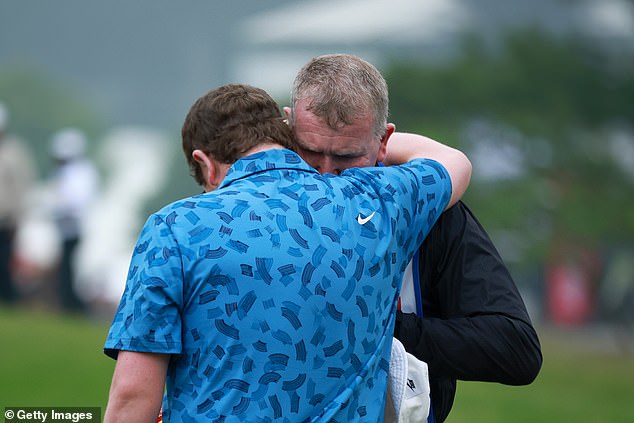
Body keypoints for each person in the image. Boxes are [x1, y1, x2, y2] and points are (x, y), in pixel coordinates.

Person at [103, 83, 471, 422]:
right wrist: (372, 141)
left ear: (204, 163)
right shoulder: (379, 200)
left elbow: (134, 397)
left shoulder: (174, 228)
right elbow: (452, 161)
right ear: (286, 135)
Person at [284, 53, 543, 422]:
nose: (327, 178)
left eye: (346, 159)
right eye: (310, 155)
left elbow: (515, 349)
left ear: (384, 142)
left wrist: (380, 326)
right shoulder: (260, 205)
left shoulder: (427, 210)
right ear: (288, 129)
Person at [49, 127, 99, 312]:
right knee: (65, 265)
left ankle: (71, 303)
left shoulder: (81, 172)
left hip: (75, 227)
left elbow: (76, 201)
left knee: (69, 267)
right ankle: (66, 300)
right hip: (64, 227)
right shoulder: (68, 172)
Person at [0, 101, 36, 304]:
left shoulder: (14, 153)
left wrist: (18, 217)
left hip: (6, 220)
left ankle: (7, 300)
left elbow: (21, 188)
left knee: (4, 263)